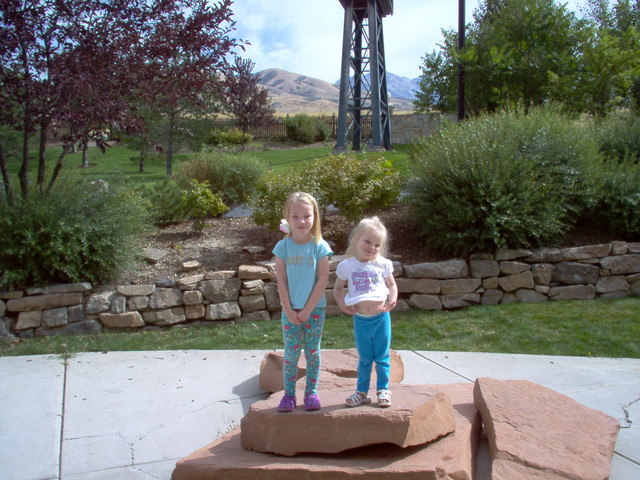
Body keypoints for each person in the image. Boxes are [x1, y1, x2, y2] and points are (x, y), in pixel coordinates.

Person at [272, 192, 333, 412]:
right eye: (295, 216)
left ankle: (311, 393)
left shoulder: (320, 246)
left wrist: (307, 309)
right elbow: (281, 279)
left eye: (307, 216)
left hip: (314, 309)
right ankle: (289, 395)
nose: (301, 221)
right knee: (291, 353)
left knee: (313, 352)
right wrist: (288, 310)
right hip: (290, 310)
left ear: (314, 217)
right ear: (287, 217)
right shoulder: (282, 248)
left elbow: (323, 279)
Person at [333, 216, 397, 408]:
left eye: (377, 244)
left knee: (382, 356)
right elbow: (337, 288)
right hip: (361, 320)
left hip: (381, 318)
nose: (371, 247)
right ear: (356, 239)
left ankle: (383, 389)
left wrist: (393, 297)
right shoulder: (347, 266)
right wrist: (341, 304)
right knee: (365, 359)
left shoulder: (382, 264)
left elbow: (392, 284)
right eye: (367, 241)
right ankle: (361, 392)